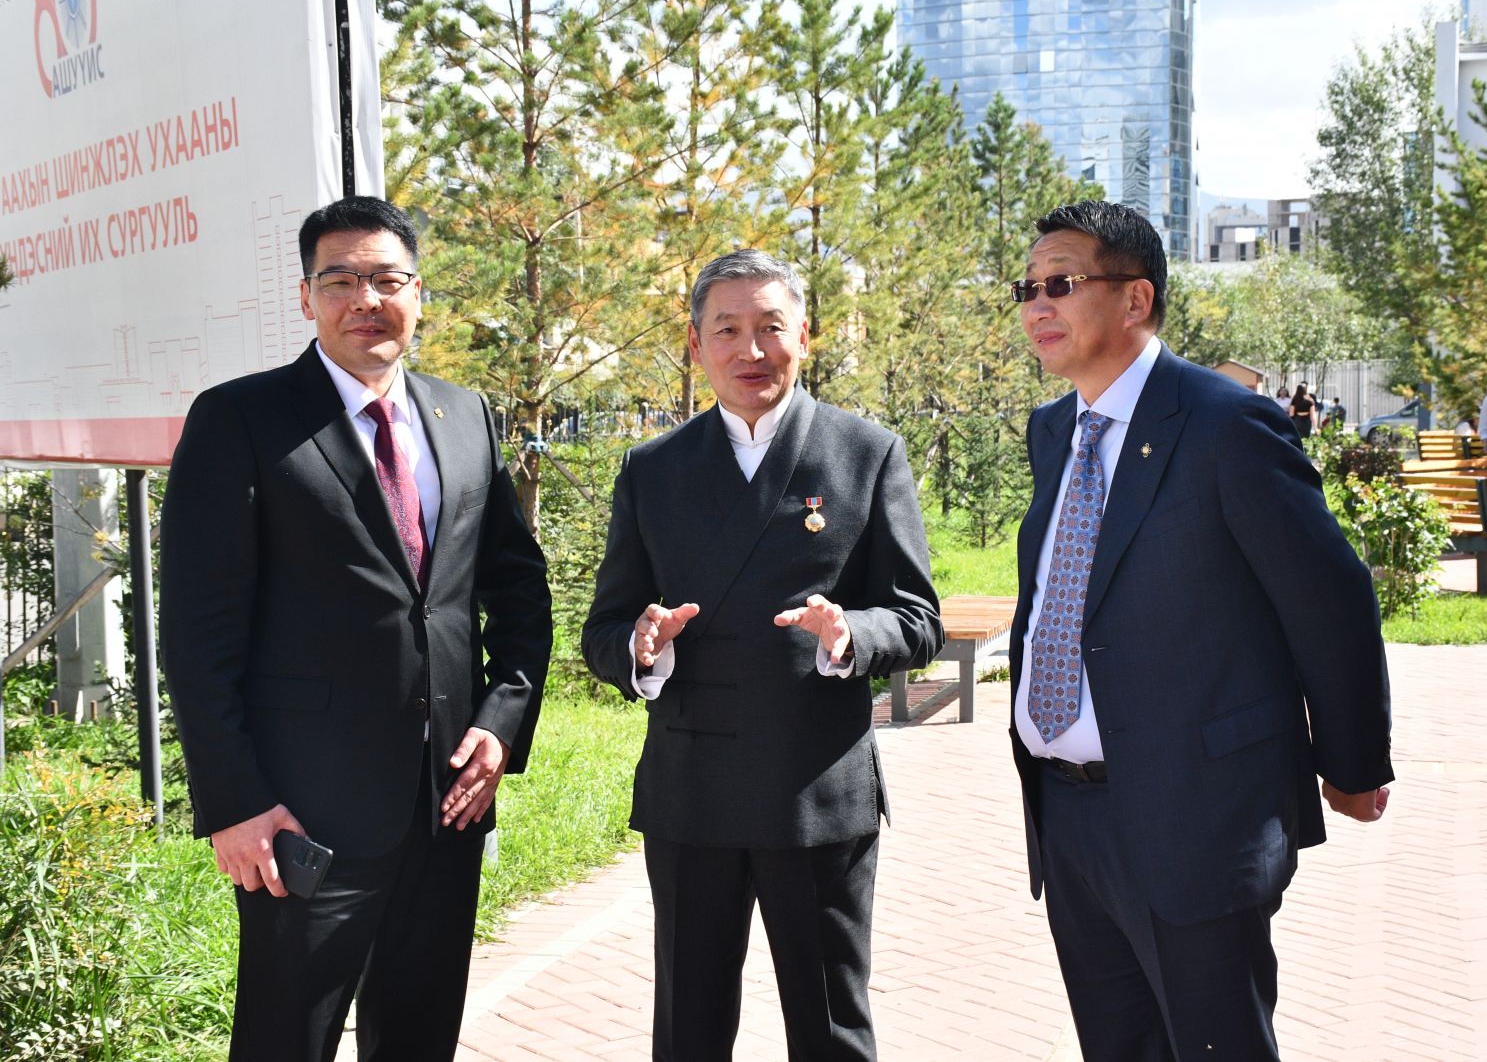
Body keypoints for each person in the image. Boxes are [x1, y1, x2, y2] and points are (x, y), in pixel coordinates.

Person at [160, 195, 553, 1062]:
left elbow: (520, 594)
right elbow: (197, 633)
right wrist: (234, 802)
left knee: (419, 1038)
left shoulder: (464, 416)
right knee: (283, 1041)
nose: (364, 299)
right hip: (302, 817)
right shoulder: (241, 420)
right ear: (306, 297)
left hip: (447, 806)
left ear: (418, 292)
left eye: (386, 279)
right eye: (339, 280)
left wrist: (499, 723)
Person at [1006, 199, 1393, 1061]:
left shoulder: (1224, 423)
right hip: (1068, 819)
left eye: (1061, 283)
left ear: (1135, 298)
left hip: (1196, 817)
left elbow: (1329, 596)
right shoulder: (1053, 429)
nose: (1037, 305)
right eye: (1027, 288)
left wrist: (1354, 761)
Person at [582, 249, 942, 1061]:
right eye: (727, 330)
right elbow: (602, 629)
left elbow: (917, 618)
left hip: (816, 789)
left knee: (831, 1029)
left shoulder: (865, 453)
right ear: (695, 343)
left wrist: (850, 635)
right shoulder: (653, 469)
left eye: (771, 327)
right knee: (689, 1028)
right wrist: (638, 646)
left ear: (803, 336)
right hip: (692, 793)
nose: (751, 350)